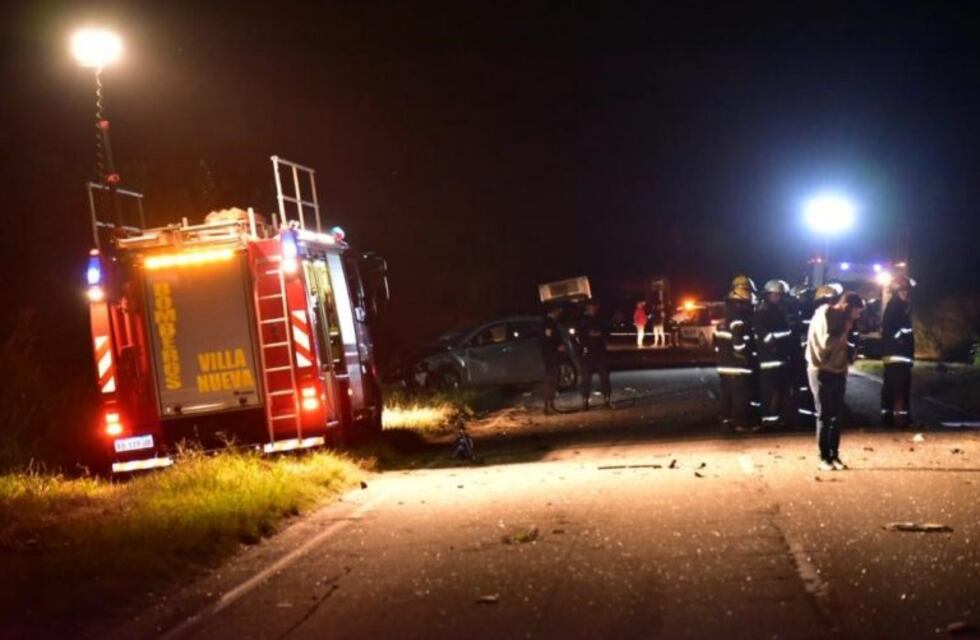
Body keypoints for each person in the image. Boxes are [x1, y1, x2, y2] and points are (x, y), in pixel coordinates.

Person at [806, 291, 865, 471]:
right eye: (857, 311)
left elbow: (842, 346)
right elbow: (827, 344)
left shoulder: (845, 321)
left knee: (836, 416)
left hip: (838, 371)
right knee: (824, 414)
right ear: (848, 307)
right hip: (821, 371)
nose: (859, 315)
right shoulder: (830, 316)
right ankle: (824, 457)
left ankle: (834, 455)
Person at [715, 276, 758, 432]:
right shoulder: (738, 318)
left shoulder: (726, 315)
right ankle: (742, 424)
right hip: (737, 365)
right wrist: (746, 355)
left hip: (724, 364)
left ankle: (727, 421)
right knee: (741, 396)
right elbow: (738, 342)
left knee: (727, 396)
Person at [755, 280, 794, 429]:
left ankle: (781, 419)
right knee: (769, 392)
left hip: (782, 359)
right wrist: (777, 344)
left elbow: (786, 333)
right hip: (769, 360)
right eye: (776, 295)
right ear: (768, 295)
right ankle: (768, 421)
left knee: (783, 391)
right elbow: (766, 337)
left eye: (780, 295)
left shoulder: (779, 312)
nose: (779, 298)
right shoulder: (761, 314)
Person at [881, 275, 915, 427]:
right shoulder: (897, 308)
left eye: (907, 290)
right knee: (901, 390)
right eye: (903, 290)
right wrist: (902, 337)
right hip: (899, 355)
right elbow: (894, 330)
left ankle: (888, 418)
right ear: (896, 291)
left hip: (894, 355)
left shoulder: (895, 306)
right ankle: (902, 420)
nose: (906, 293)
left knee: (890, 389)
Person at [578, 300, 612, 410]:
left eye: (593, 306)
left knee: (604, 377)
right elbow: (579, 335)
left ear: (596, 307)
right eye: (589, 307)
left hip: (600, 352)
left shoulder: (601, 319)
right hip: (588, 352)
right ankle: (585, 402)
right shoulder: (583, 320)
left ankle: (607, 400)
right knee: (586, 379)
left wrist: (600, 334)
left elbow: (607, 332)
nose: (591, 308)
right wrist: (587, 338)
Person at [540, 307, 567, 415]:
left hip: (550, 355)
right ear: (554, 311)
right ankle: (548, 405)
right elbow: (547, 339)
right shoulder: (548, 323)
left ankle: (549, 405)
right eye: (559, 311)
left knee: (553, 378)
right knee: (552, 378)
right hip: (550, 355)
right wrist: (557, 347)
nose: (559, 314)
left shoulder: (549, 322)